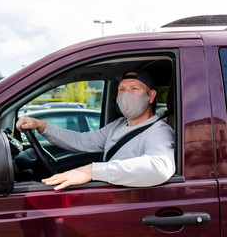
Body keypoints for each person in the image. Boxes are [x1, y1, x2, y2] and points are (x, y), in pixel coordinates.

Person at [16, 70, 175, 190]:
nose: (126, 94)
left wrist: (91, 171)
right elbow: (83, 141)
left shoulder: (159, 131)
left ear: (151, 96)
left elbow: (159, 168)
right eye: (121, 90)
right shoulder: (118, 124)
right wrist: (42, 126)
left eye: (134, 88)